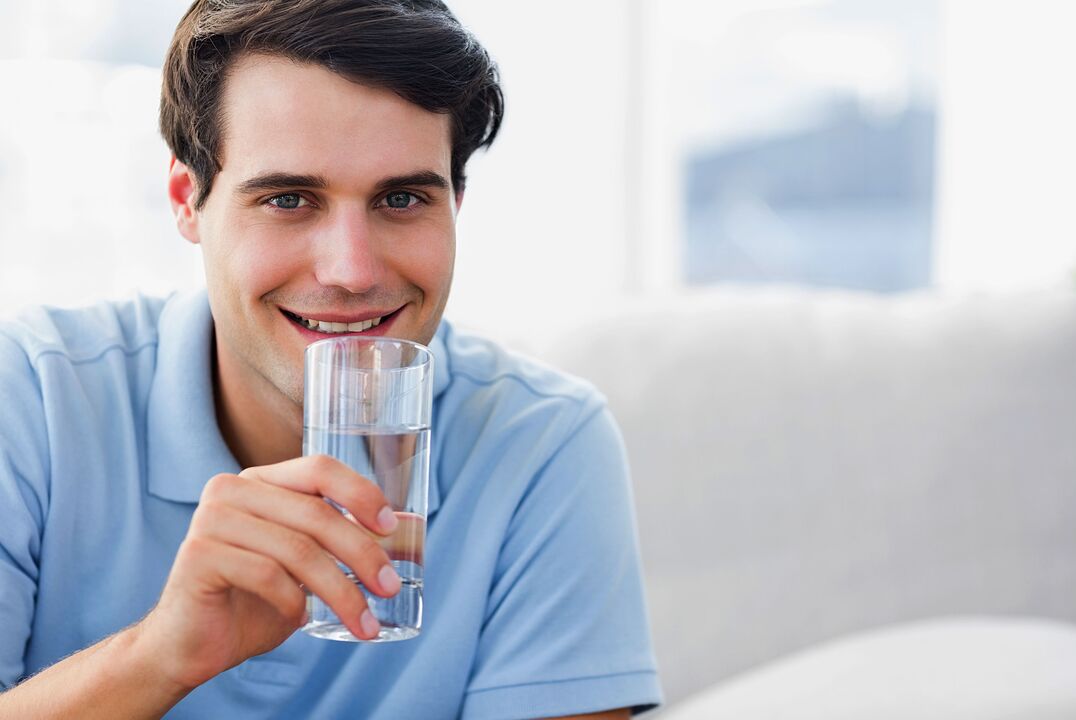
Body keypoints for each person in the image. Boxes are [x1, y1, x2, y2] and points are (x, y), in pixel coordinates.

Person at [0, 1, 661, 719]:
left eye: (402, 198)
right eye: (289, 199)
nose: (350, 270)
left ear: (457, 206)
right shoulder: (30, 398)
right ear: (188, 201)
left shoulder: (541, 446)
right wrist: (158, 657)